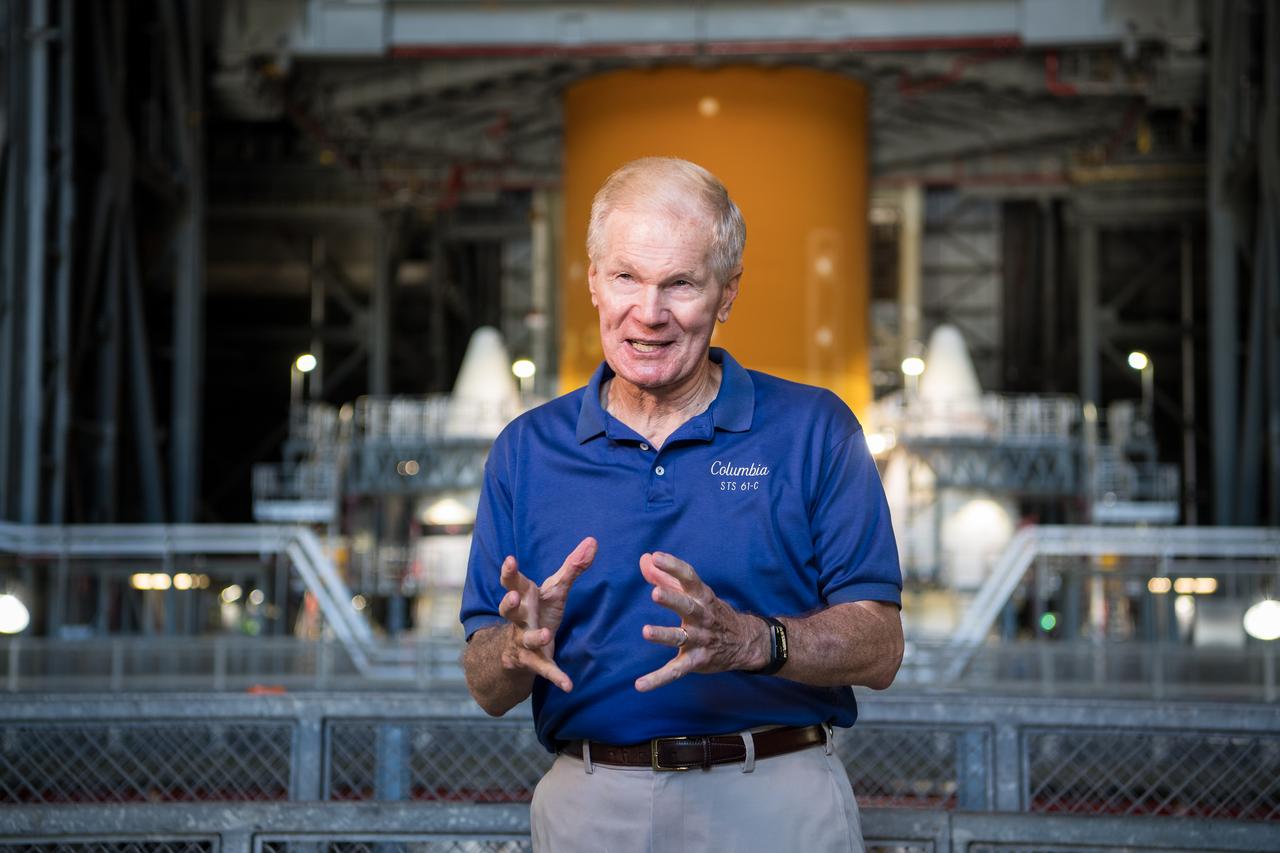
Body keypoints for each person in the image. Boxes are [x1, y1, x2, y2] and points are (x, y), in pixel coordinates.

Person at [460, 157, 903, 852]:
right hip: (590, 805)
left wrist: (753, 641)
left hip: (774, 800)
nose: (650, 313)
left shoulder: (815, 429)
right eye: (627, 277)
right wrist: (516, 648)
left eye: (681, 284)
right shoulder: (526, 449)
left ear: (727, 294)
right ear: (593, 282)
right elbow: (485, 686)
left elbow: (880, 647)